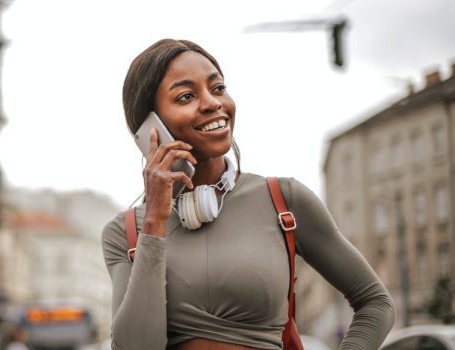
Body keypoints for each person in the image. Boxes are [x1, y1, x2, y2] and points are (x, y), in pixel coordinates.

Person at [101, 39, 395, 350]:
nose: (213, 103)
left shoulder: (283, 200)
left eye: (217, 88)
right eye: (186, 96)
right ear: (151, 127)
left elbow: (376, 303)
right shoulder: (126, 233)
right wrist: (155, 222)